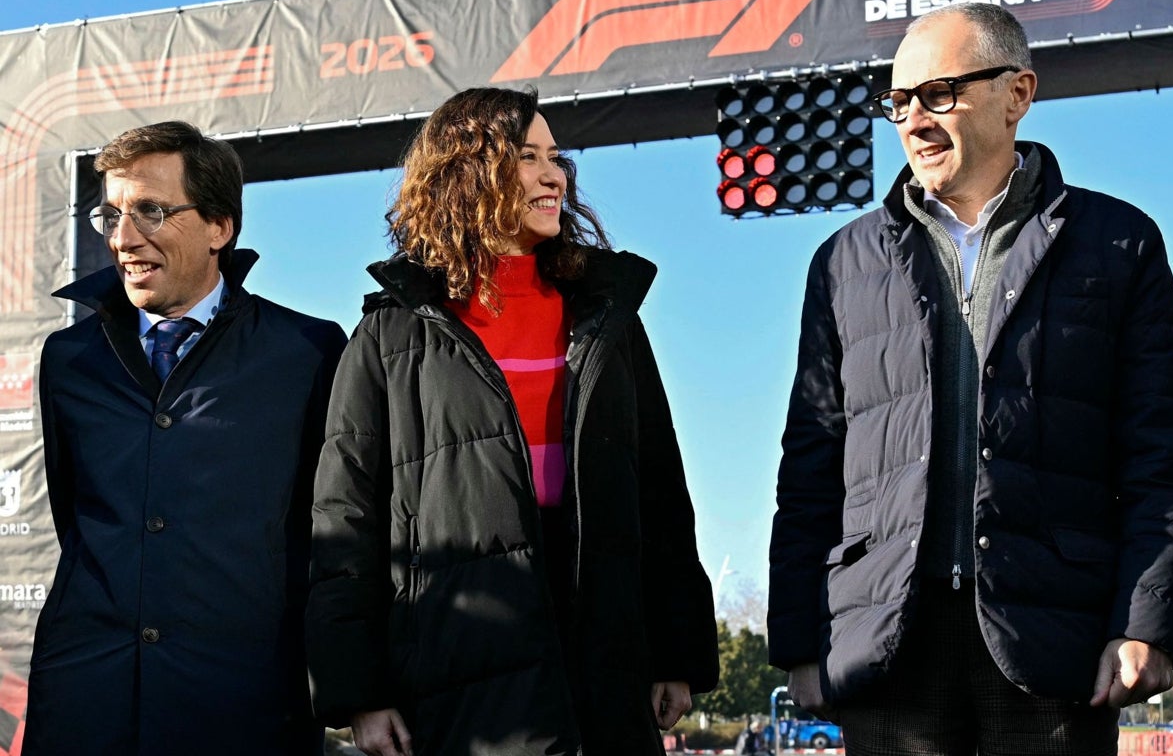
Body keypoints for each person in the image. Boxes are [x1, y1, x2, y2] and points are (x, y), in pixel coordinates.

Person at [768, 1, 1173, 756]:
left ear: (1018, 94)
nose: (913, 120)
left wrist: (1146, 620)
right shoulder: (842, 263)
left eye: (939, 93)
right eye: (898, 101)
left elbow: (1164, 453)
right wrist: (800, 636)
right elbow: (811, 466)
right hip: (888, 647)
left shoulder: (1119, 243)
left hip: (1054, 641)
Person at [306, 87, 719, 755]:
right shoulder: (388, 332)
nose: (555, 174)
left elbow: (661, 494)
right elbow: (343, 518)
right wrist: (360, 691)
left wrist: (676, 651)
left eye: (555, 157)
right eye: (526, 157)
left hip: (604, 656)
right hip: (457, 672)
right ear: (467, 172)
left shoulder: (608, 320)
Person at [27, 121, 347, 756]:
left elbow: (330, 531)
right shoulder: (68, 359)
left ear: (220, 228)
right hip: (86, 699)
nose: (123, 239)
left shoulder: (307, 351)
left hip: (243, 704)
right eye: (111, 215)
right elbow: (77, 518)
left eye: (151, 210)